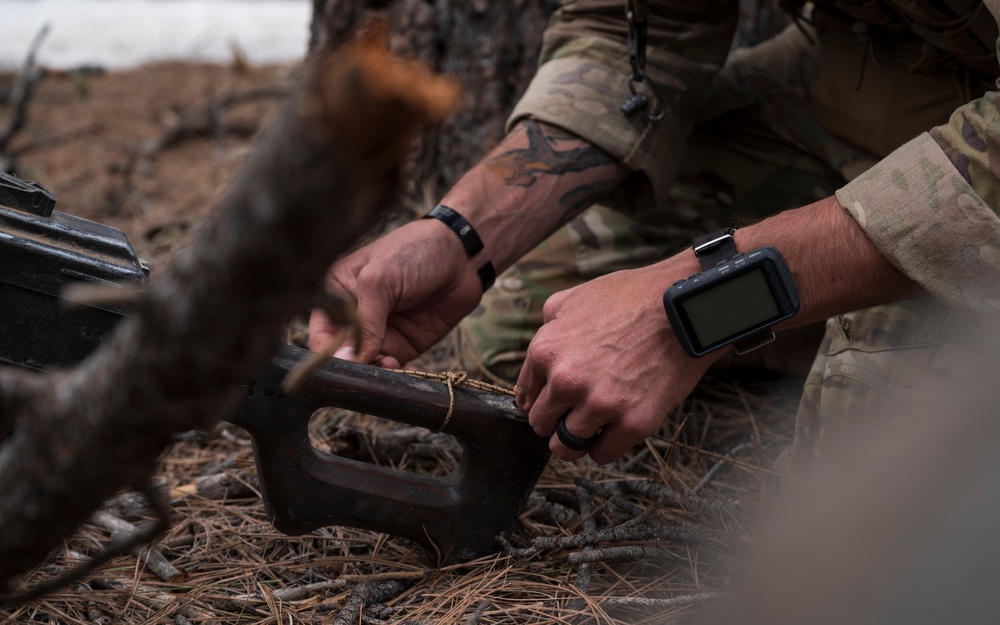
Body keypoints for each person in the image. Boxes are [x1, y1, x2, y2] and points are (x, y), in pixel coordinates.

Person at [309, 0, 1000, 471]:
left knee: (869, 507)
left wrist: (692, 312)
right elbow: (637, 27)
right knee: (524, 332)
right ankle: (822, 313)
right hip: (847, 88)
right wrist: (460, 234)